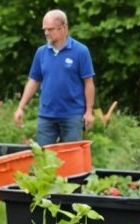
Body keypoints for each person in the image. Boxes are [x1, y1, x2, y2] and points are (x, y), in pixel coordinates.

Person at [12, 9, 95, 145]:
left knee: (70, 158)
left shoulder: (81, 51)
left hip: (72, 115)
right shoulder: (41, 52)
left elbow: (88, 82)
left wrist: (89, 111)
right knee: (44, 159)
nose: (46, 33)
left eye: (50, 29)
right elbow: (33, 80)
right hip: (46, 116)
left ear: (63, 28)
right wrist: (21, 107)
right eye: (44, 29)